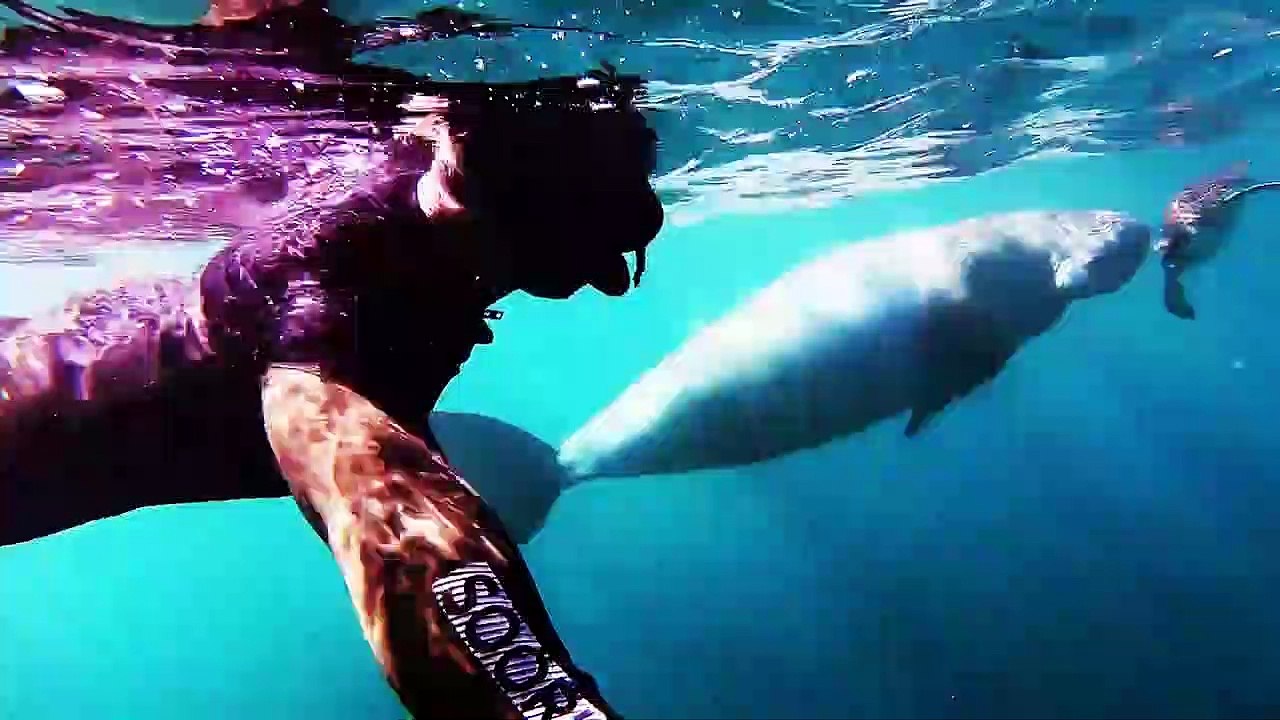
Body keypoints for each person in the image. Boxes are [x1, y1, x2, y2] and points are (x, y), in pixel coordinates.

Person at [0, 1, 662, 718]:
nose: (612, 276)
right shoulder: (336, 298)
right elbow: (398, 525)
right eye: (604, 232)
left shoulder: (422, 223)